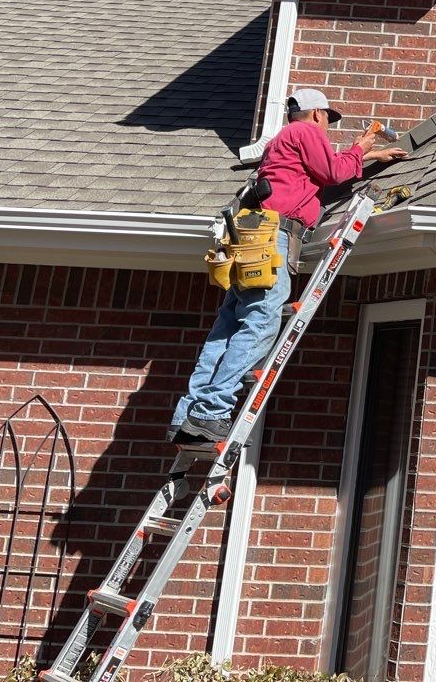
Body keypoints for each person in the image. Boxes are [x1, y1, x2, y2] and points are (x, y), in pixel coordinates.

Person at [169, 88, 405, 442]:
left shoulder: (284, 139)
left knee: (230, 324)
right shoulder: (305, 132)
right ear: (315, 114)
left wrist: (368, 153)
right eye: (327, 118)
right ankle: (212, 410)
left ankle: (189, 413)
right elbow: (331, 171)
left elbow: (314, 170)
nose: (326, 127)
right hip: (275, 237)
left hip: (253, 238)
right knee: (262, 320)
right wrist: (361, 145)